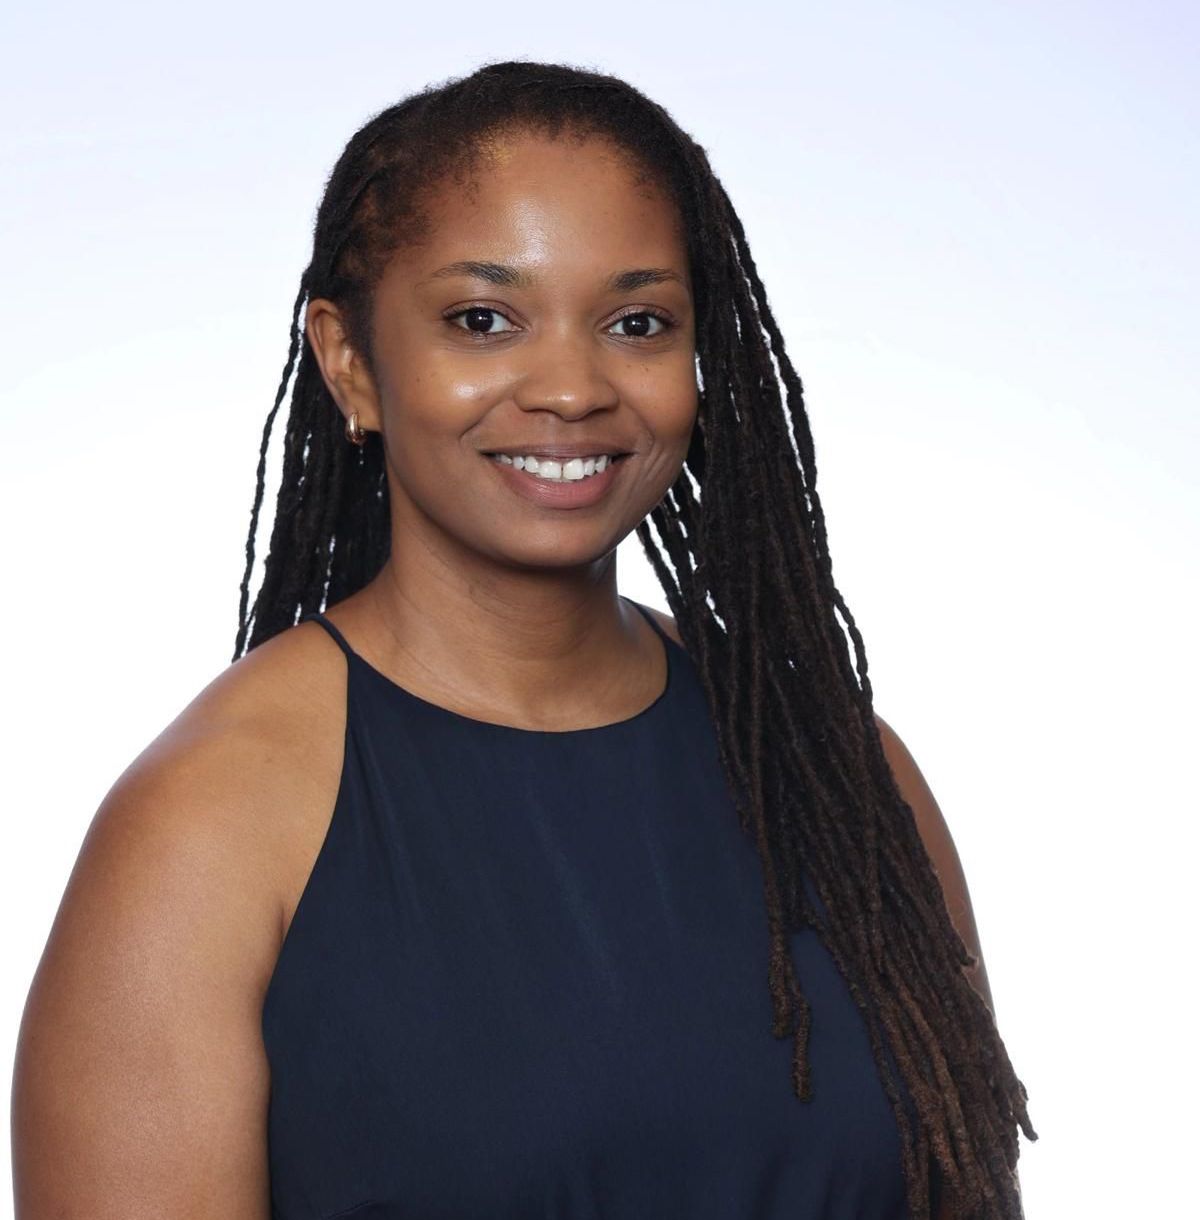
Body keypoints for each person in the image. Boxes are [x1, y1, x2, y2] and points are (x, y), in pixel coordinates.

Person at [12, 60, 1036, 1220]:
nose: (570, 388)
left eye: (637, 321)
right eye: (483, 319)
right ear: (350, 361)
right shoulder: (210, 822)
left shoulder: (844, 777)